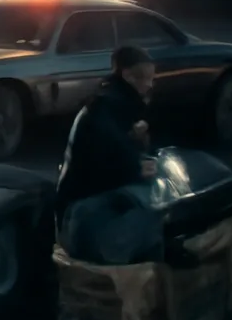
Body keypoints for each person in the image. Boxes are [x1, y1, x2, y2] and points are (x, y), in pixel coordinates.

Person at [55, 45, 160, 264]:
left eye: (152, 79)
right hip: (81, 221)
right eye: (145, 79)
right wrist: (137, 167)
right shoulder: (105, 109)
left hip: (82, 214)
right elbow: (103, 165)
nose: (150, 86)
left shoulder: (112, 103)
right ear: (128, 76)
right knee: (157, 216)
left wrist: (137, 146)